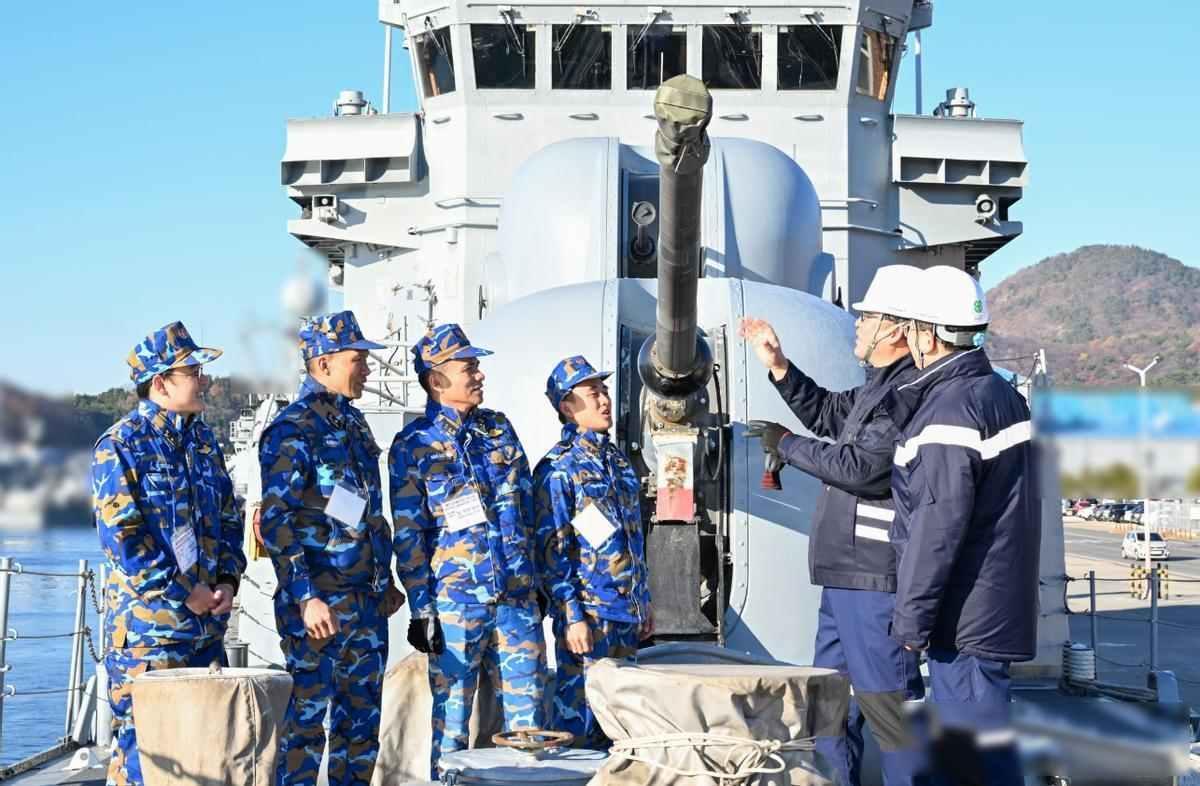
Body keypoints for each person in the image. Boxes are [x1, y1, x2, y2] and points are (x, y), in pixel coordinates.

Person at [739, 265, 927, 786]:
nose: (858, 326)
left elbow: (864, 470)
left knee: (890, 712)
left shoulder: (906, 394)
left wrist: (787, 445)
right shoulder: (877, 389)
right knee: (830, 709)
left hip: (874, 580)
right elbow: (826, 411)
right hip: (844, 578)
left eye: (866, 317)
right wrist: (778, 366)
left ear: (894, 329)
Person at [885, 265, 1038, 786]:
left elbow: (937, 528)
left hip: (966, 618)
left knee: (976, 760)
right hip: (993, 606)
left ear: (928, 335)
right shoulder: (1001, 395)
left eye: (910, 327)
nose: (907, 337)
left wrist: (910, 621)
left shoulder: (950, 410)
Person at [93, 322, 246, 786]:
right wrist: (187, 593)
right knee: (147, 756)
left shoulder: (203, 444)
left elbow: (228, 519)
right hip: (150, 637)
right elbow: (124, 539)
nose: (204, 380)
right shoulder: (120, 446)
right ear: (160, 383)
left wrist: (226, 582)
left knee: (201, 754)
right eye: (193, 371)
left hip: (204, 632)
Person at [389, 323, 545, 775]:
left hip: (516, 602)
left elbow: (528, 508)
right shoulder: (413, 445)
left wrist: (534, 583)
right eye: (468, 367)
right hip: (455, 606)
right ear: (437, 379)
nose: (479, 375)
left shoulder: (498, 429)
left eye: (477, 366)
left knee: (528, 728)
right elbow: (409, 534)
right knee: (452, 723)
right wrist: (422, 610)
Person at [258, 310, 405, 786]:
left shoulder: (355, 425)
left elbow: (367, 512)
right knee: (306, 727)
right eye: (356, 358)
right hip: (320, 604)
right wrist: (306, 596)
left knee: (360, 730)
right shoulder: (293, 429)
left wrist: (385, 582)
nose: (366, 368)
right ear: (322, 363)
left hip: (364, 603)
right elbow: (276, 521)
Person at [534, 356, 652, 748]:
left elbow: (634, 539)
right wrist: (571, 618)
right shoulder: (558, 469)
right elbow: (553, 551)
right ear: (568, 407)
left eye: (604, 391)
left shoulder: (616, 462)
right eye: (592, 393)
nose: (604, 400)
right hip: (590, 617)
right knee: (579, 722)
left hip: (624, 615)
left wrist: (643, 602)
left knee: (622, 725)